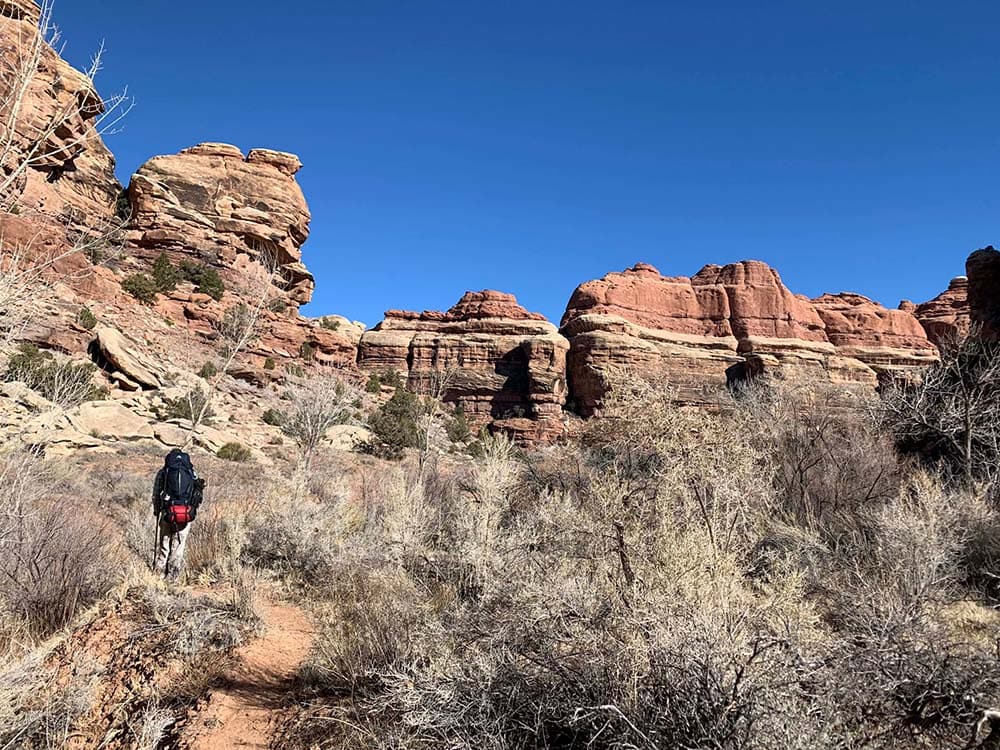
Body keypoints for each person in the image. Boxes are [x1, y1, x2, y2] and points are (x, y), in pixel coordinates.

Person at [152, 448, 205, 581]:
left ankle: (159, 573)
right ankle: (173, 576)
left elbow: (156, 493)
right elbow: (197, 491)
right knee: (179, 544)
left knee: (164, 542)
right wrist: (193, 508)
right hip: (186, 512)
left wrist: (157, 510)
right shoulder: (191, 472)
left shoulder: (164, 472)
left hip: (167, 511)